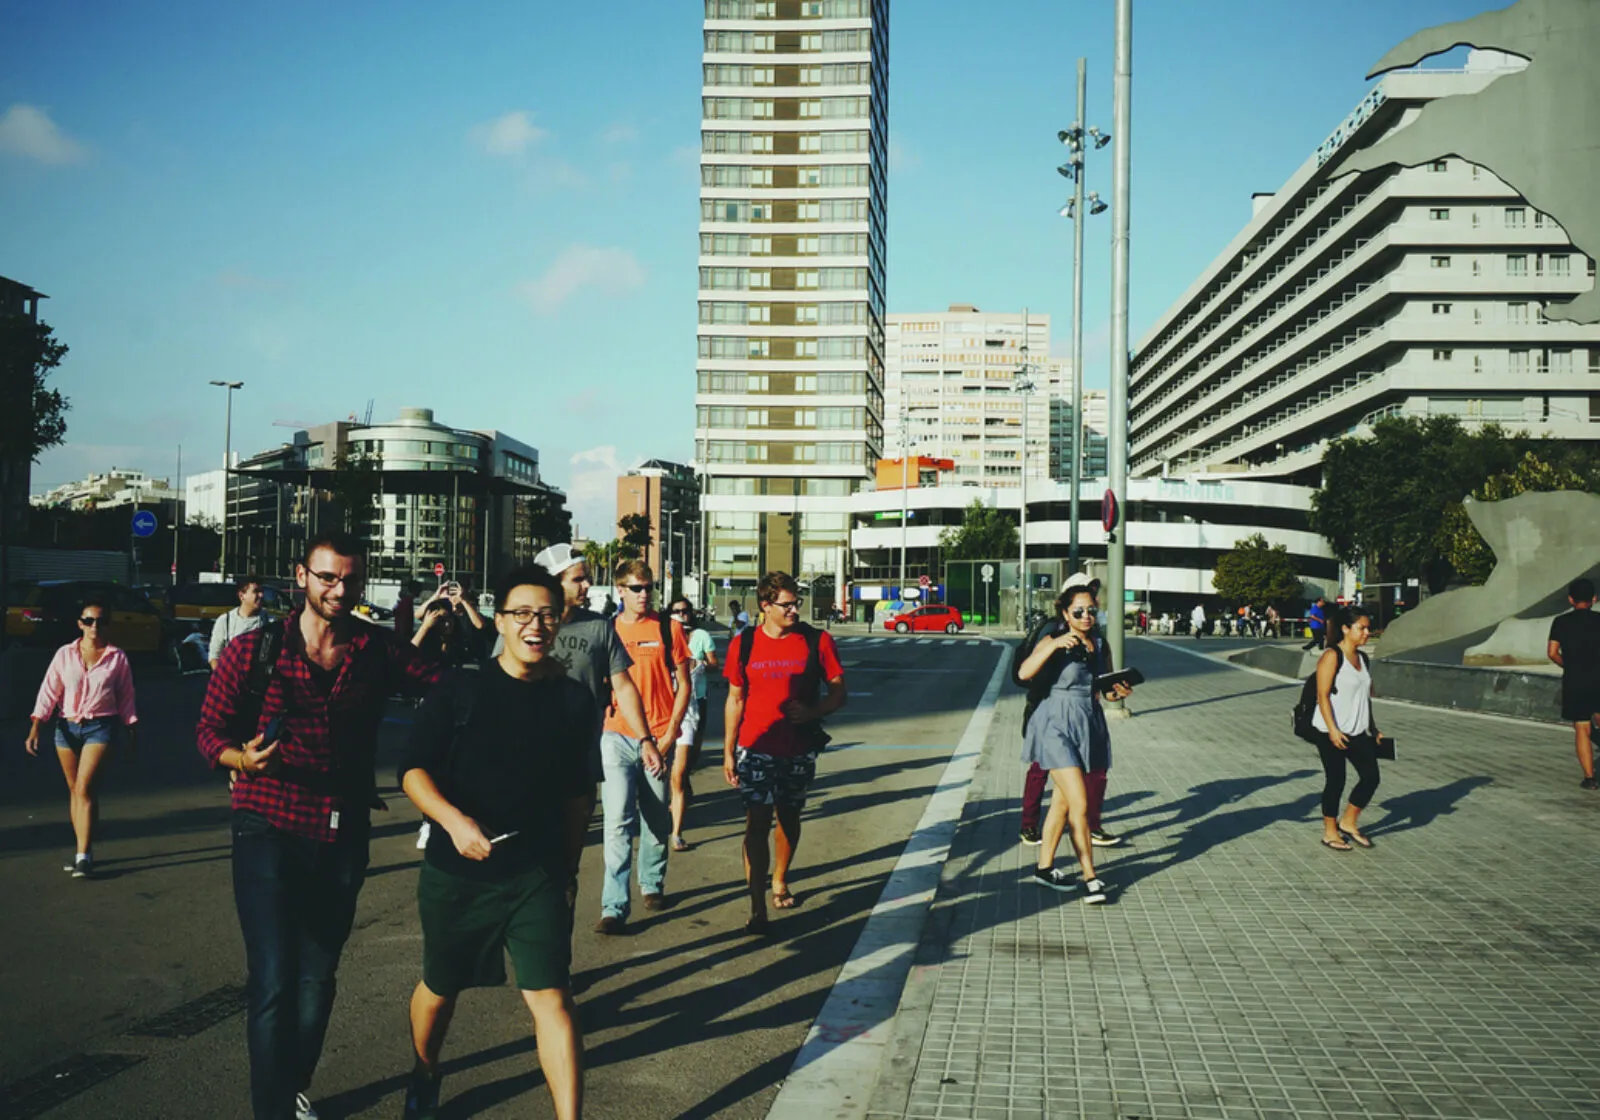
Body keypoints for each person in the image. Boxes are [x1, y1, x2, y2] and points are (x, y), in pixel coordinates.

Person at [196, 531, 442, 1120]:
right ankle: (273, 1110)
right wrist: (240, 760)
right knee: (275, 979)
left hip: (341, 829)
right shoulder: (253, 651)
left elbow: (448, 689)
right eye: (327, 577)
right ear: (301, 577)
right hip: (266, 821)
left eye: (350, 579)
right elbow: (210, 731)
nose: (339, 589)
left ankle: (294, 1080)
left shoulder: (377, 651)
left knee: (317, 980)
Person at [398, 566, 591, 1120]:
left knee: (552, 997)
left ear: (561, 620)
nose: (536, 625)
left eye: (548, 614)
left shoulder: (573, 700)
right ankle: (426, 1068)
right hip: (456, 873)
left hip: (536, 873)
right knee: (440, 987)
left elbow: (578, 795)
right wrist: (454, 822)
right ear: (500, 621)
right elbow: (412, 771)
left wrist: (569, 870)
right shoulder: (460, 688)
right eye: (522, 614)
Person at [724, 571, 846, 934]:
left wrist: (814, 712)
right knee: (756, 822)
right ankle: (757, 905)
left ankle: (780, 877)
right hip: (755, 747)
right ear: (765, 606)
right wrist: (728, 751)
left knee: (789, 818)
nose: (795, 610)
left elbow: (839, 692)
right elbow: (734, 698)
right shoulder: (743, 643)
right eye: (787, 604)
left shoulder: (816, 640)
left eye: (797, 603)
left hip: (798, 748)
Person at [1016, 584, 1133, 906]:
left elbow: (1103, 686)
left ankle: (1044, 869)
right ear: (1065, 613)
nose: (1085, 617)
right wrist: (1052, 646)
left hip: (1088, 721)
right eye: (1078, 611)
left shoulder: (1098, 642)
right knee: (1080, 802)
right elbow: (1024, 672)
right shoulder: (1053, 639)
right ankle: (1090, 876)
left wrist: (1117, 693)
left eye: (1091, 611)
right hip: (1054, 721)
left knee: (1063, 804)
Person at [595, 560, 691, 933]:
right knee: (617, 820)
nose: (644, 594)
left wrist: (670, 735)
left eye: (648, 587)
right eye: (636, 588)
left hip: (660, 733)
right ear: (620, 590)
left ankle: (651, 882)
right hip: (616, 735)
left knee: (656, 817)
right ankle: (614, 906)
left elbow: (684, 683)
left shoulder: (669, 629)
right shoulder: (608, 630)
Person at [26, 594, 139, 879]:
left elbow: (126, 696)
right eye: (89, 621)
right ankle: (83, 848)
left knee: (84, 788)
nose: (94, 626)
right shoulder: (65, 654)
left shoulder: (117, 657)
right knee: (76, 790)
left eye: (101, 621)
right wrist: (36, 727)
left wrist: (130, 728)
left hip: (101, 727)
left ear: (108, 625)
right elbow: (49, 691)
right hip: (66, 728)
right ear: (80, 624)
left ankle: (83, 857)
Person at [1311, 603, 1388, 851]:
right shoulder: (1332, 656)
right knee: (1336, 780)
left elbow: (1364, 697)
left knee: (1371, 778)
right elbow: (1322, 696)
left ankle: (1348, 822)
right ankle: (1330, 831)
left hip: (1358, 730)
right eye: (1362, 628)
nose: (1367, 633)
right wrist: (1333, 730)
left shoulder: (1363, 658)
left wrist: (1373, 728)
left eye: (1369, 629)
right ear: (1345, 628)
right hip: (1330, 731)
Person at [667, 597, 718, 851]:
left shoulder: (700, 636)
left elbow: (715, 665)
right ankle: (675, 827)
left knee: (688, 760)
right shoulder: (664, 638)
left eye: (684, 611)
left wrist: (701, 664)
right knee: (672, 771)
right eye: (675, 612)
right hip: (666, 707)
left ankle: (683, 781)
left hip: (695, 701)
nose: (680, 615)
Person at [1548, 577, 1600, 790]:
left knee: (1581, 728)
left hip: (1575, 680)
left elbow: (1552, 652)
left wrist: (1567, 665)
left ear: (1571, 599)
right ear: (1594, 599)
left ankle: (1590, 778)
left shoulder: (1561, 622)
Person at [211, 574, 268, 670]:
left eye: (262, 591)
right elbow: (214, 657)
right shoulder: (225, 621)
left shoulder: (268, 621)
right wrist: (224, 679)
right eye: (256, 592)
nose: (261, 595)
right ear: (242, 596)